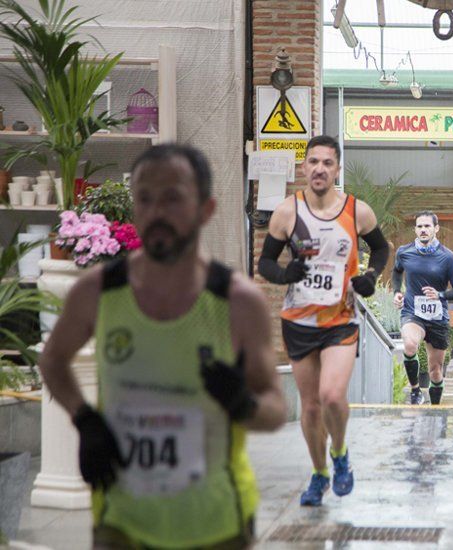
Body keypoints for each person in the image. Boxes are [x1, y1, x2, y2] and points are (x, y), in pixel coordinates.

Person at [38, 144, 287, 549]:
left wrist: (243, 405)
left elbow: (276, 410)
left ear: (206, 209)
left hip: (217, 524)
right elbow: (52, 360)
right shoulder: (98, 291)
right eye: (145, 199)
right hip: (122, 522)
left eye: (173, 198)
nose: (157, 212)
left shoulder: (238, 302)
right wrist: (84, 420)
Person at [259, 135, 389, 507]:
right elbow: (265, 263)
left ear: (337, 169)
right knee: (311, 406)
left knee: (332, 396)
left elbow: (380, 248)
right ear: (304, 167)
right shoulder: (288, 212)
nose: (319, 168)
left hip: (340, 318)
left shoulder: (356, 211)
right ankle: (319, 474)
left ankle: (340, 453)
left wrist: (371, 276)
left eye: (327, 163)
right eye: (313, 162)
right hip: (298, 321)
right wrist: (286, 275)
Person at [392, 211, 453, 405]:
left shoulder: (448, 257)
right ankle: (415, 390)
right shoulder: (404, 252)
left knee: (435, 371)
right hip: (412, 312)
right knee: (409, 345)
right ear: (415, 229)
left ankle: (435, 408)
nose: (423, 230)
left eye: (427, 226)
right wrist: (397, 292)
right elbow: (397, 272)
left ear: (436, 229)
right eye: (420, 226)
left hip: (437, 318)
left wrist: (440, 294)